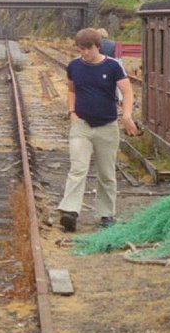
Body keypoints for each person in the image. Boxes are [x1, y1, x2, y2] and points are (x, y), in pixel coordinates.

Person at [57, 27, 138, 232]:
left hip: (107, 127)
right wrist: (72, 112)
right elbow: (71, 90)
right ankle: (70, 212)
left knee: (107, 173)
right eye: (80, 49)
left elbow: (127, 91)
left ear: (98, 46)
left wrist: (127, 115)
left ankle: (106, 214)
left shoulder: (113, 66)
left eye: (88, 49)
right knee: (78, 168)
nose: (84, 53)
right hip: (82, 125)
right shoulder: (74, 66)